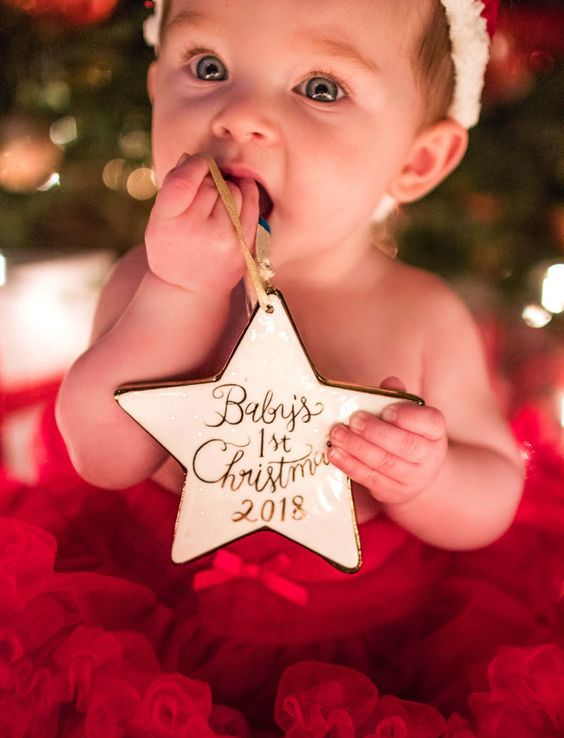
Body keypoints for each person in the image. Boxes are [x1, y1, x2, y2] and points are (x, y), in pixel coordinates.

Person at [15, 0, 545, 734]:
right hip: (155, 617)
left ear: (416, 160)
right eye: (207, 67)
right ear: (153, 89)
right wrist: (178, 291)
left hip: (367, 644)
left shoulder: (421, 313)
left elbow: (491, 496)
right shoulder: (149, 277)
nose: (239, 117)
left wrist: (429, 478)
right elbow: (102, 456)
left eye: (320, 87)